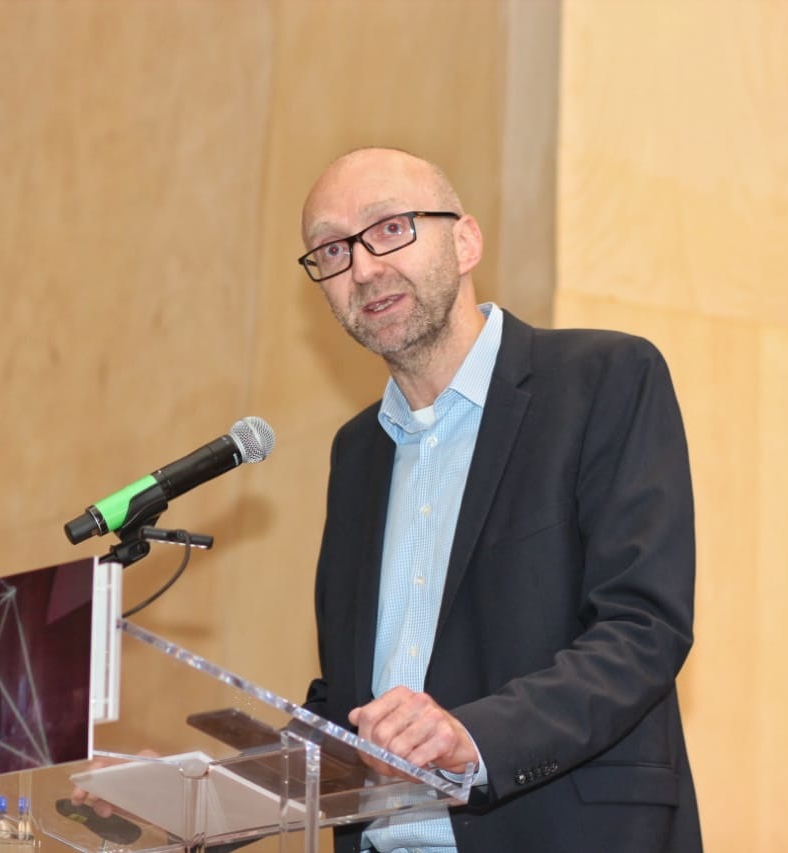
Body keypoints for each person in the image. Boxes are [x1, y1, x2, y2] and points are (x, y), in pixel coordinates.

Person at [297, 148, 700, 852]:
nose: (362, 268)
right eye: (332, 249)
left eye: (389, 228)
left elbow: (642, 630)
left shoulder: (604, 379)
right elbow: (350, 700)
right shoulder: (357, 451)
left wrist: (473, 736)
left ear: (465, 241)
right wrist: (198, 786)